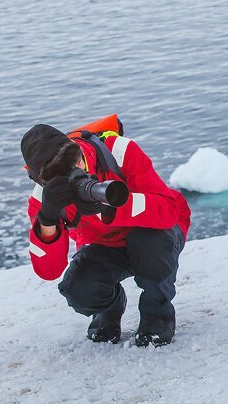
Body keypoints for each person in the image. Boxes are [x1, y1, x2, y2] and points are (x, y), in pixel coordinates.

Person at [20, 122, 191, 347]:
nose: (80, 171)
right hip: (105, 246)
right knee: (78, 289)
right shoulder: (45, 198)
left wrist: (112, 208)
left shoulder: (118, 152)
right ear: (46, 181)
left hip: (155, 234)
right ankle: (109, 309)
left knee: (151, 244)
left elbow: (168, 211)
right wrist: (48, 220)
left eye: (77, 161)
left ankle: (157, 314)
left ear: (77, 148)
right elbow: (48, 271)